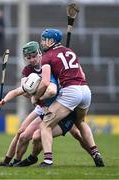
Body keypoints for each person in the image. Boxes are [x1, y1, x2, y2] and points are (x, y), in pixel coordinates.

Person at [0, 41, 101, 167]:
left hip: (61, 104)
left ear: (40, 53)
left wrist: (36, 97)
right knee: (22, 134)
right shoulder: (28, 70)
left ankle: (95, 155)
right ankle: (11, 161)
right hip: (43, 106)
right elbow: (21, 90)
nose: (32, 59)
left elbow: (52, 90)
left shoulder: (50, 63)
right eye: (28, 57)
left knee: (77, 133)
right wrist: (4, 101)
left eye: (34, 56)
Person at [31, 28, 105, 167]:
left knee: (45, 125)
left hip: (71, 91)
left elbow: (45, 82)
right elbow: (82, 75)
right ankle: (95, 153)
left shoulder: (47, 56)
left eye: (44, 39)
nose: (42, 42)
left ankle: (47, 160)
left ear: (51, 41)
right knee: (81, 122)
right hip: (85, 90)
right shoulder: (70, 52)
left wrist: (36, 97)